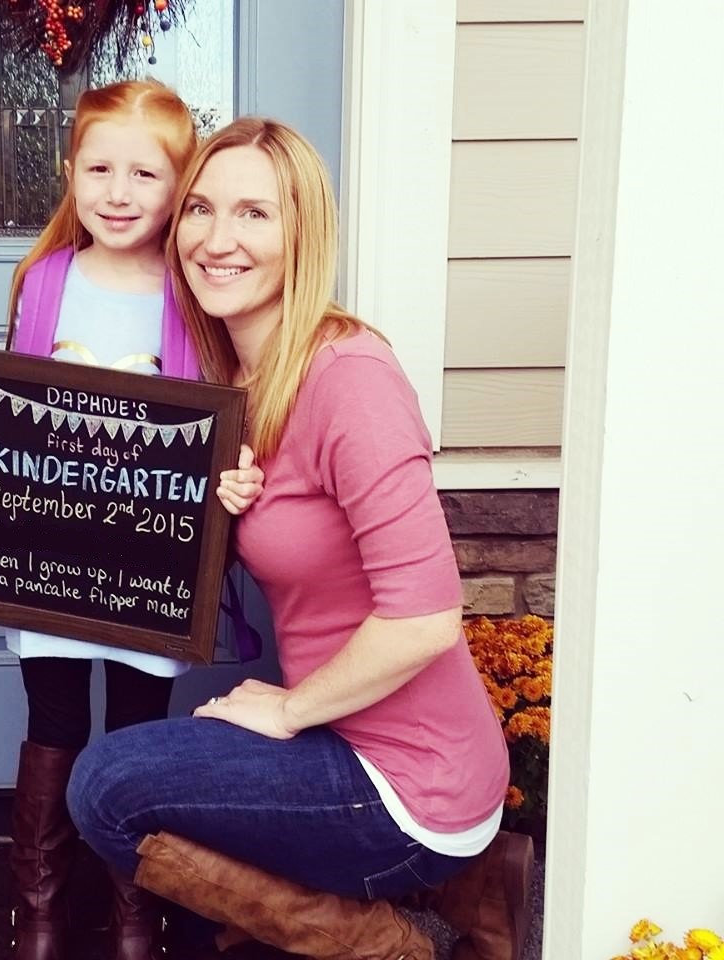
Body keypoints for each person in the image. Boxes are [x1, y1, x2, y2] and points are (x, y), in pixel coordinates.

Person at [65, 117, 535, 960]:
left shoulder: (350, 377)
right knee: (150, 790)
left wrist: (287, 709)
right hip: (340, 737)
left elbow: (427, 617)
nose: (216, 239)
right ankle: (462, 894)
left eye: (254, 213)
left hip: (409, 780)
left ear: (303, 235)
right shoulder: (229, 380)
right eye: (201, 208)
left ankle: (392, 944)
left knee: (105, 788)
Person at [0, 81, 263, 960]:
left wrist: (238, 476)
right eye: (99, 169)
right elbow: (10, 416)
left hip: (152, 565)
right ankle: (38, 907)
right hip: (50, 557)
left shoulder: (197, 290)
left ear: (180, 188)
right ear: (70, 172)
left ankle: (135, 907)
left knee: (139, 731)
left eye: (145, 174)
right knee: (56, 718)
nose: (118, 192)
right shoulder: (45, 281)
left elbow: (232, 416)